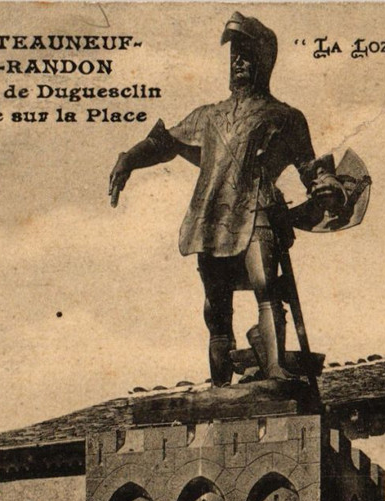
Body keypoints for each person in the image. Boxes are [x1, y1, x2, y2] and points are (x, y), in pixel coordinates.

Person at [108, 11, 346, 387]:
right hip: (212, 218)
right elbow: (165, 142)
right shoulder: (209, 116)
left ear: (264, 60)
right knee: (217, 309)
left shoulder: (285, 116)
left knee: (266, 286)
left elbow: (310, 165)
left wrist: (328, 184)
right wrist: (130, 158)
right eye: (234, 54)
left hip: (260, 210)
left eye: (247, 53)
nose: (237, 61)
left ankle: (274, 371)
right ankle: (220, 386)